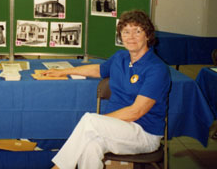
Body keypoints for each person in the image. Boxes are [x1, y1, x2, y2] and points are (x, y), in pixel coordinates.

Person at [42, 10, 171, 169]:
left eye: (137, 31)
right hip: (118, 129)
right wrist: (62, 72)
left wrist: (102, 122)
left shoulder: (157, 69)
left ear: (148, 35)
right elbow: (98, 70)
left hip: (144, 133)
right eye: (126, 32)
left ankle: (58, 167)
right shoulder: (120, 57)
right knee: (91, 147)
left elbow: (136, 112)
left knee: (90, 121)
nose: (131, 37)